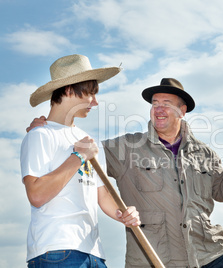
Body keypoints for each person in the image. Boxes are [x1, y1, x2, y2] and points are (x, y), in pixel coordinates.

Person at [27, 78, 223, 268]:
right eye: (155, 103)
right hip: (153, 259)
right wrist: (48, 127)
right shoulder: (125, 147)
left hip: (208, 252)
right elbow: (79, 150)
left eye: (166, 103)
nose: (159, 108)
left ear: (182, 111)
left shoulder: (204, 152)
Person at [20, 54, 141, 268]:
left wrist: (124, 213)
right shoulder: (40, 135)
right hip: (57, 250)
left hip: (93, 253)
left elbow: (102, 196)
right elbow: (37, 195)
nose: (95, 102)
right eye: (90, 93)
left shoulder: (89, 143)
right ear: (68, 90)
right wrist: (77, 157)